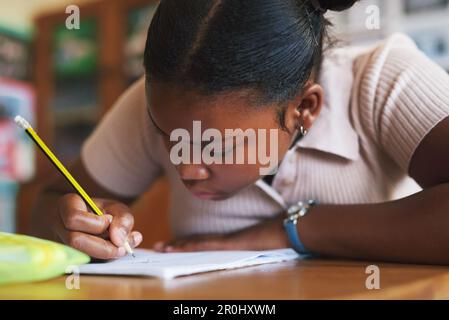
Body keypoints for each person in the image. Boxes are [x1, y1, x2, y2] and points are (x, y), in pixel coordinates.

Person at [32, 0, 449, 264]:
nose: (187, 169)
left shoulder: (382, 80)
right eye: (168, 136)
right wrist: (69, 220)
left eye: (218, 147)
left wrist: (296, 229)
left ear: (305, 107)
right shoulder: (157, 102)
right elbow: (45, 204)